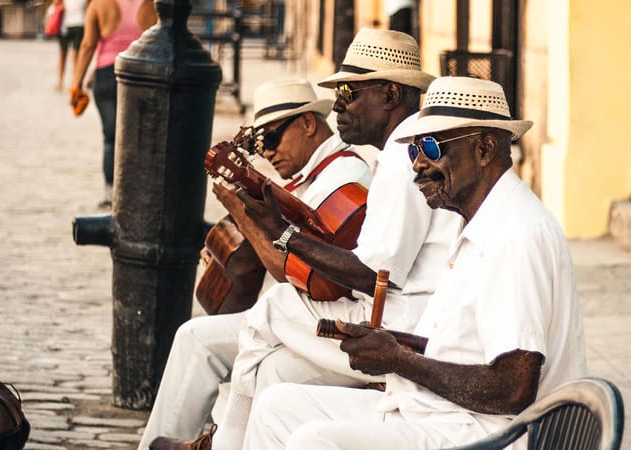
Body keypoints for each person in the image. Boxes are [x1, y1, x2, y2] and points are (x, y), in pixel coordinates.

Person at [241, 76, 587, 449]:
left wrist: (399, 360)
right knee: (276, 406)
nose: (418, 164)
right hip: (442, 412)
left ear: (484, 148)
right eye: (413, 151)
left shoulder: (515, 236)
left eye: (432, 147)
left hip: (488, 432)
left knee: (314, 441)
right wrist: (390, 346)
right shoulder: (477, 220)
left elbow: (513, 388)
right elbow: (462, 345)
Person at [205, 28, 463, 450]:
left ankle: (221, 444)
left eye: (349, 90)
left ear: (390, 95)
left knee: (271, 308)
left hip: (402, 328)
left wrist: (282, 233)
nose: (338, 104)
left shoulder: (404, 155)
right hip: (402, 312)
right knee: (273, 371)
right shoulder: (399, 151)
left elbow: (374, 275)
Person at [140, 79, 374, 450]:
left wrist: (240, 213)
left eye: (273, 139)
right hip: (302, 314)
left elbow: (299, 272)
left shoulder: (343, 178)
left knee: (198, 341)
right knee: (205, 339)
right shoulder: (309, 177)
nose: (268, 153)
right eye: (259, 145)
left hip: (327, 316)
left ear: (308, 124)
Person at [69, 0, 156, 209]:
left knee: (111, 137)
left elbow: (88, 44)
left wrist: (76, 84)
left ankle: (110, 194)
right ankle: (138, 190)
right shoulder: (151, 4)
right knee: (141, 137)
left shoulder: (99, 4)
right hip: (141, 73)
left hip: (107, 73)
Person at [55, 0, 88, 91]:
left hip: (79, 23)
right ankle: (60, 81)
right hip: (64, 25)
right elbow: (56, 3)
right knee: (63, 54)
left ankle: (74, 82)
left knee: (76, 56)